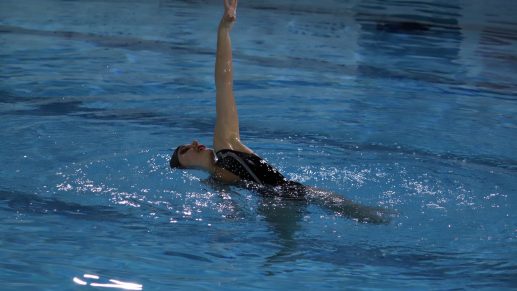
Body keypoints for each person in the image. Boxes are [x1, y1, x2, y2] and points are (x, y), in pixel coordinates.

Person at [170, 0, 391, 224]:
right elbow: (231, 210)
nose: (194, 143)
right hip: (275, 202)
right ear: (186, 168)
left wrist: (224, 29)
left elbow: (224, 83)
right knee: (286, 252)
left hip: (296, 191)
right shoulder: (215, 182)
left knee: (376, 218)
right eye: (185, 151)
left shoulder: (227, 144)